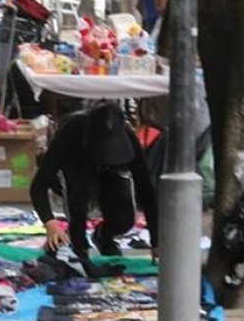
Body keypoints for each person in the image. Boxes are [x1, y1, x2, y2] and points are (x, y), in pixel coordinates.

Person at [29, 104, 159, 274]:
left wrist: (157, 242)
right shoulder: (70, 133)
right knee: (78, 200)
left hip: (111, 171)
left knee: (124, 218)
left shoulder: (128, 137)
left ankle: (104, 236)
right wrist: (50, 223)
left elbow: (146, 191)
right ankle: (80, 248)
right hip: (77, 162)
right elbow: (39, 186)